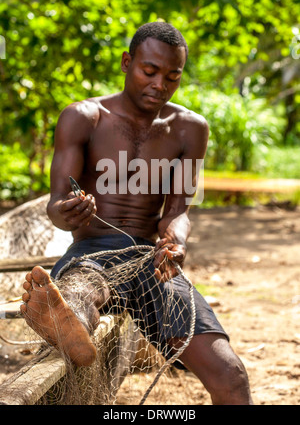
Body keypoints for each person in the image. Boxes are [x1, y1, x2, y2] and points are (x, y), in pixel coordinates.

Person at [21, 22, 252, 405]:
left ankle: (68, 317)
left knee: (231, 377)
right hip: (91, 254)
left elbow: (179, 211)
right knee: (79, 296)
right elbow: (56, 208)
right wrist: (71, 212)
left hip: (151, 262)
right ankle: (59, 317)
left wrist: (175, 241)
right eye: (150, 71)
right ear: (127, 63)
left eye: (172, 76)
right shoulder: (83, 117)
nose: (160, 84)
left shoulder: (190, 129)